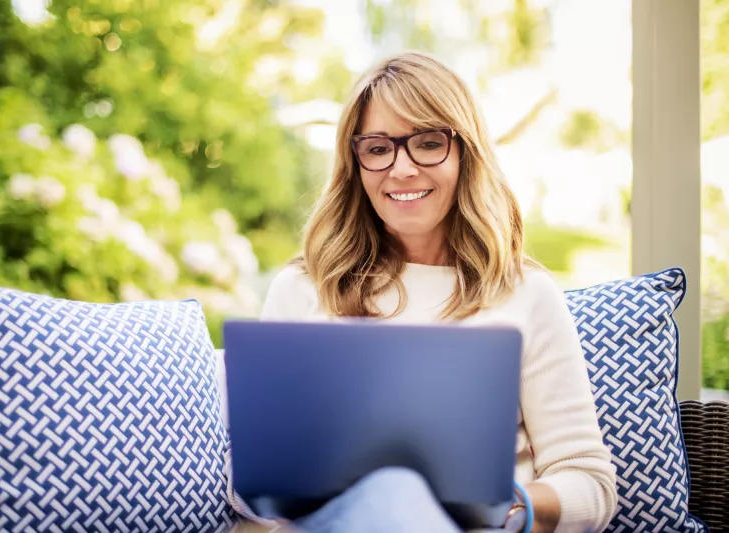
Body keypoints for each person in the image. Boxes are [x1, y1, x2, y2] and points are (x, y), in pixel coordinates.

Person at [229, 50, 618, 533]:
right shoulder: (304, 289)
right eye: (377, 148)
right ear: (356, 163)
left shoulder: (528, 294)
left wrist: (511, 508)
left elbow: (590, 482)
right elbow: (253, 485)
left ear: (464, 153)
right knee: (389, 496)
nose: (402, 168)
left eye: (428, 143)